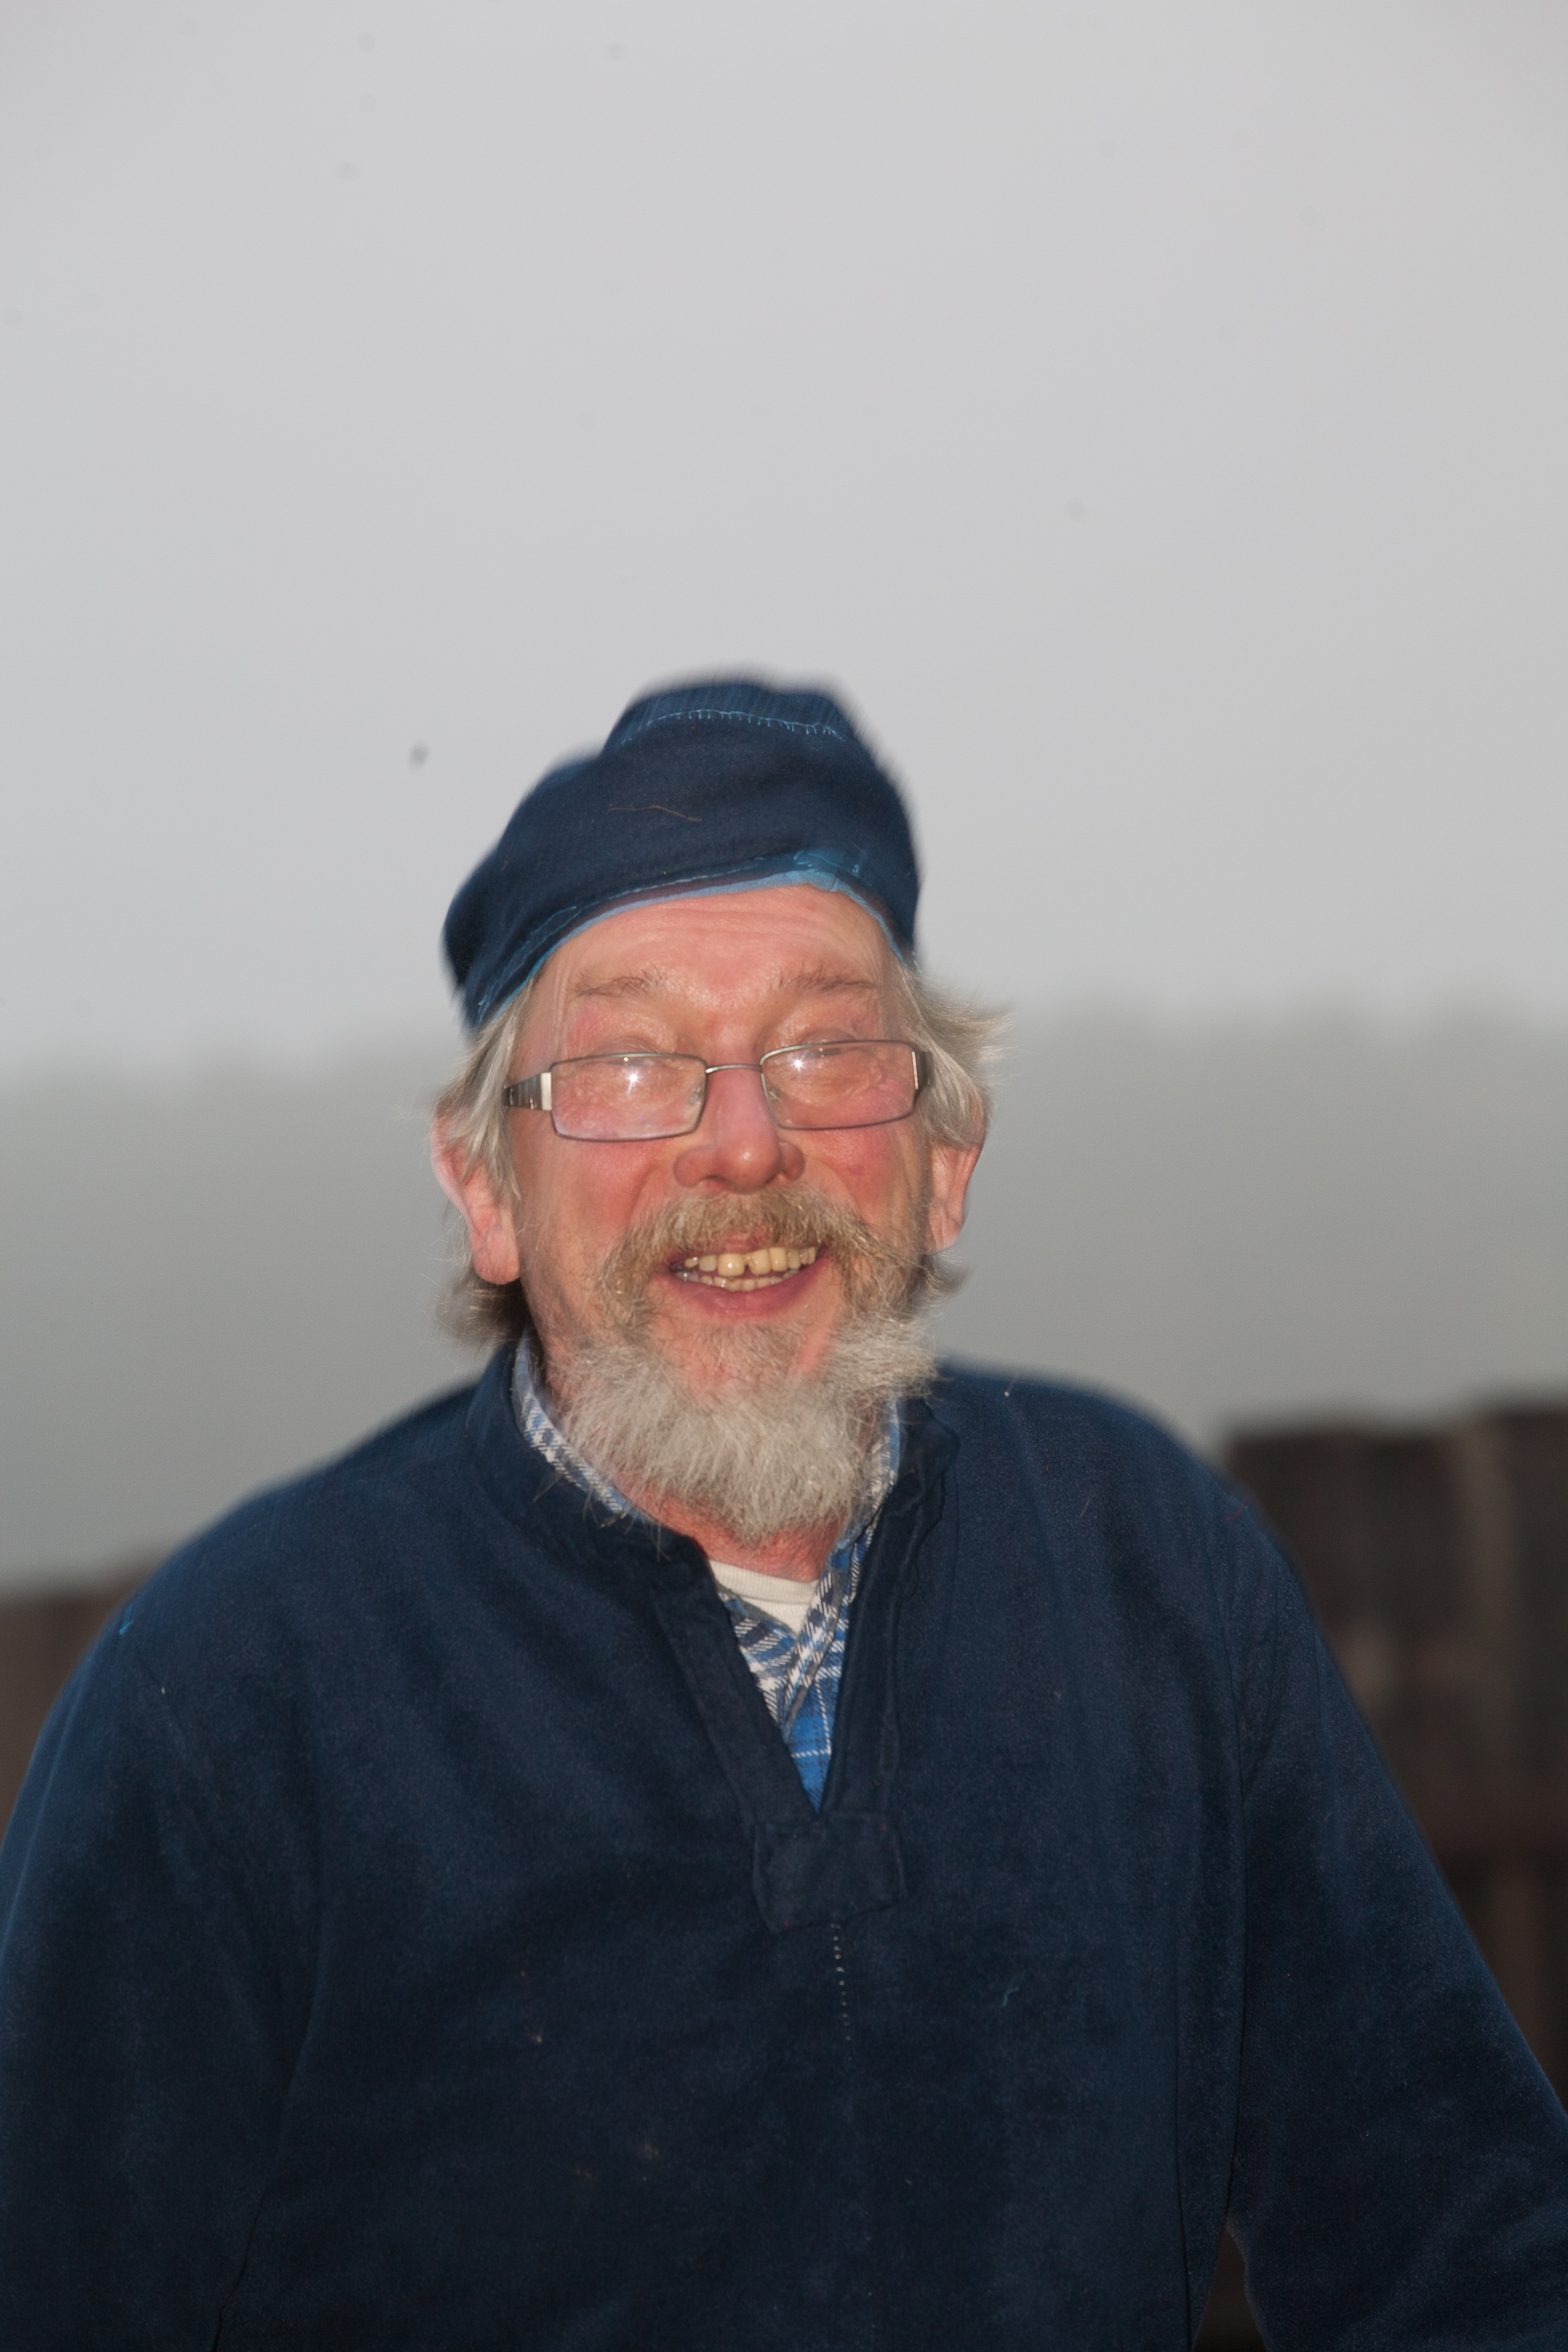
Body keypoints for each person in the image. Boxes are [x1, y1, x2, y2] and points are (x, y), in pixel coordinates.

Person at [0, 680, 1563, 2350]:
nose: (744, 1147)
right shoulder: (230, 1704)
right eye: (627, 1064)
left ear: (946, 1156)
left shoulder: (1150, 1573)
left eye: (826, 1051)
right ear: (484, 1188)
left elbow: (1464, 2253)